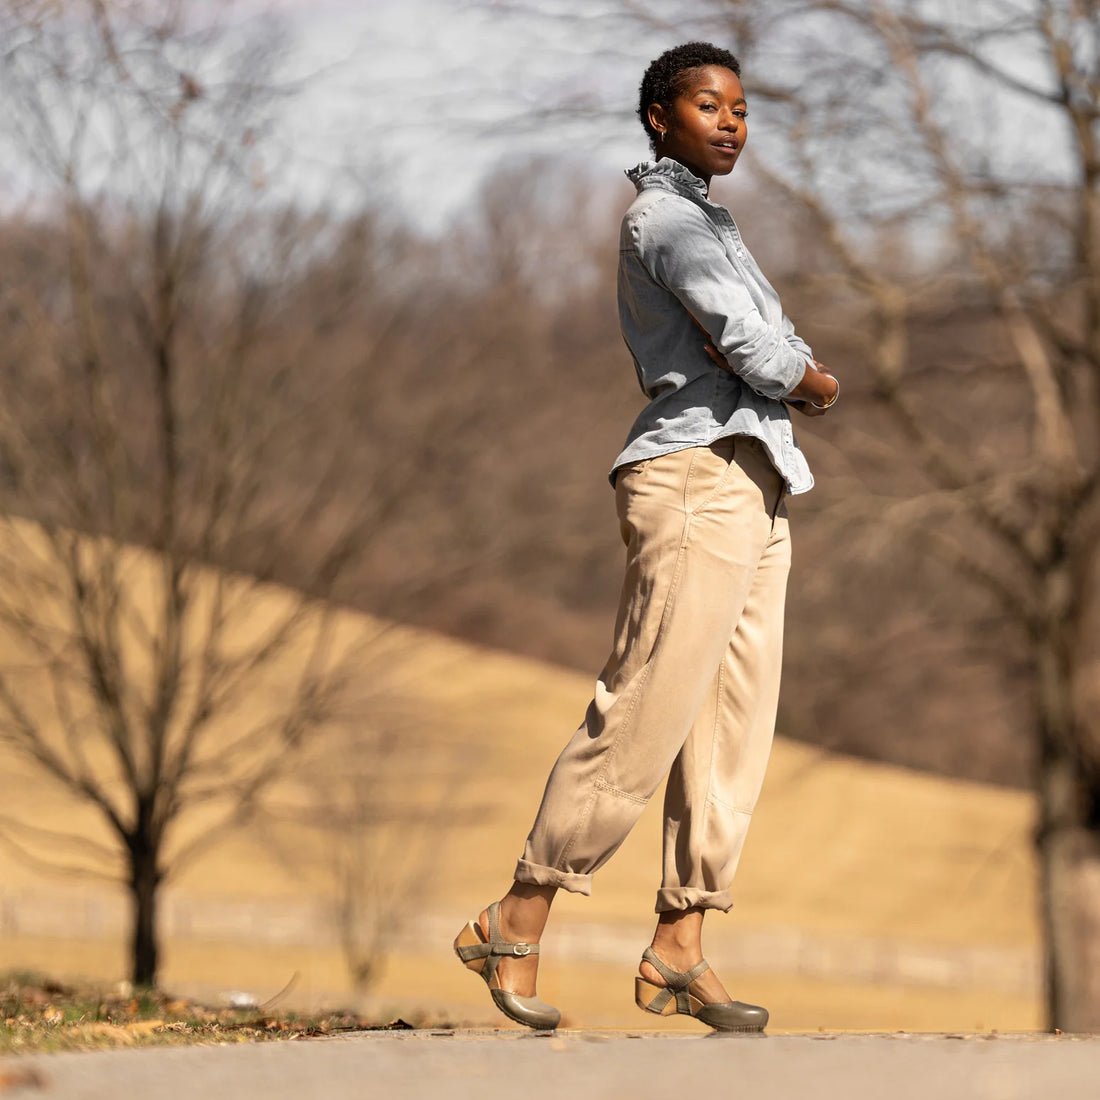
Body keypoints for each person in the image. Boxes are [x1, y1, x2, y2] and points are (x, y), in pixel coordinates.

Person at [454, 41, 839, 1033]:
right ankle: (519, 909)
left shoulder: (711, 222)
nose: (728, 122)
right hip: (692, 479)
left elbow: (752, 341)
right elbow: (757, 346)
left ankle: (679, 944)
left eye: (740, 109)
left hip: (752, 483)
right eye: (706, 105)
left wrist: (773, 362)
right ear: (657, 118)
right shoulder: (665, 218)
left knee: (728, 727)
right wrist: (812, 377)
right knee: (645, 707)